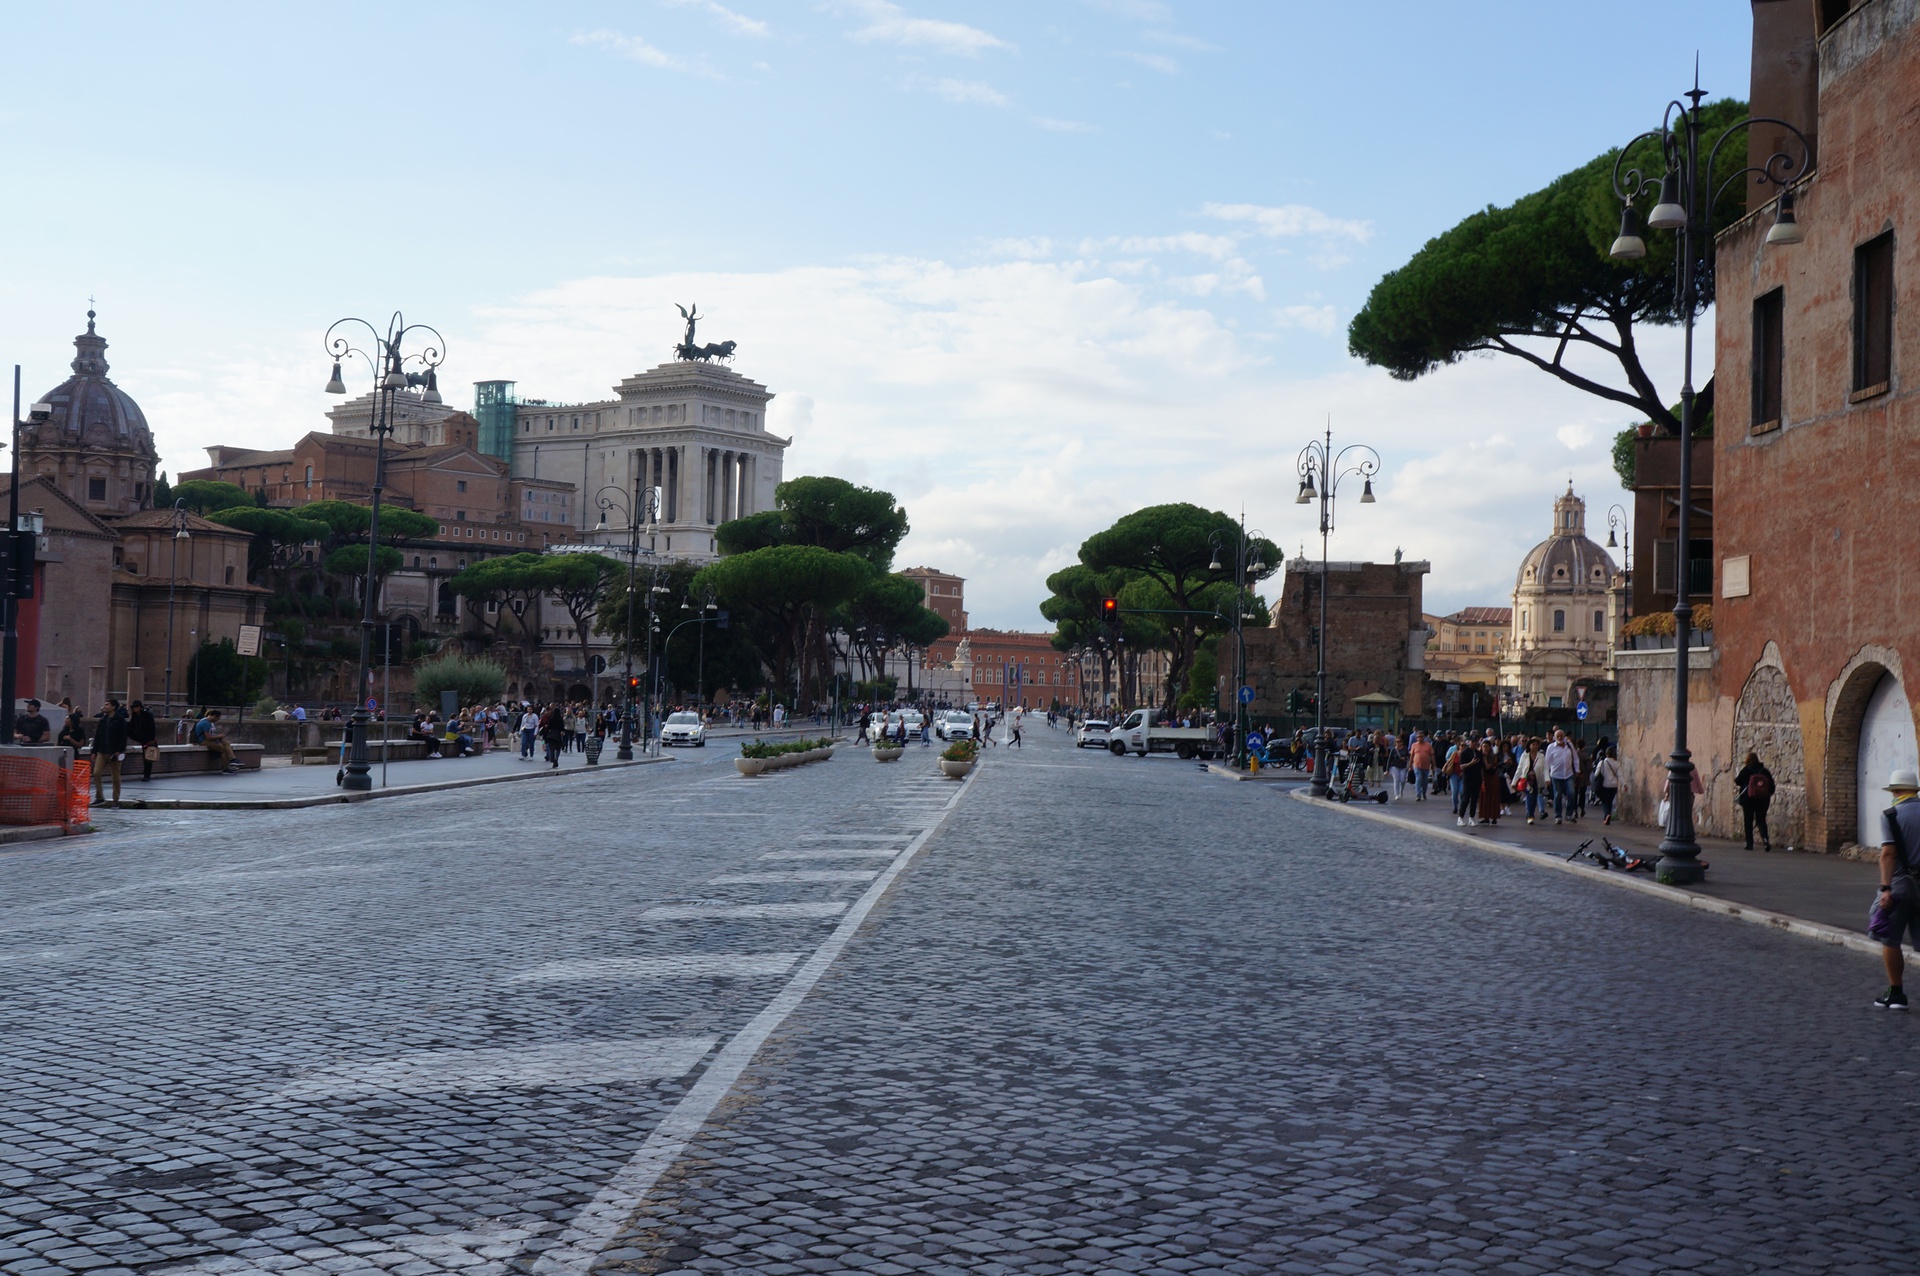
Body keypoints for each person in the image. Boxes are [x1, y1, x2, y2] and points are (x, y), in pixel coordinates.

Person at [1873, 768, 1920, 1010]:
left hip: (1900, 884)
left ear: (1895, 791)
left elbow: (1888, 854)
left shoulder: (1891, 815)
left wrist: (1885, 888)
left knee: (1891, 938)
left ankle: (1896, 992)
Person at [1733, 750, 1776, 851]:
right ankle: (1765, 840)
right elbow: (1772, 787)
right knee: (1761, 820)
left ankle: (1749, 844)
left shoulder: (1746, 770)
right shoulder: (1764, 771)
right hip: (1763, 800)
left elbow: (1737, 781)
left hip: (1748, 799)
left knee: (1748, 821)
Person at [91, 699, 129, 805]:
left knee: (116, 777)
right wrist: (94, 751)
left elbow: (123, 737)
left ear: (113, 707)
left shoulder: (120, 720)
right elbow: (97, 736)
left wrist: (119, 751)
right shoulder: (102, 720)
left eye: (107, 705)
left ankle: (115, 799)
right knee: (96, 773)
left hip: (114, 753)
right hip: (102, 751)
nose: (105, 706)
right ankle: (99, 797)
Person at [1544, 730, 1577, 825]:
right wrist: (1547, 777)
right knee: (1557, 795)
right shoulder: (1551, 747)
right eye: (1558, 736)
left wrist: (1577, 770)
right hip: (1556, 775)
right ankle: (1558, 816)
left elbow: (1575, 758)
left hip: (1568, 774)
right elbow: (1547, 763)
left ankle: (1569, 814)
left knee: (1571, 793)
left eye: (1561, 735)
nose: (1560, 737)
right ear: (1554, 737)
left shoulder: (1569, 746)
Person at [126, 700, 159, 781]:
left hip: (149, 740)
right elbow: (132, 729)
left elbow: (152, 728)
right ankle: (146, 775)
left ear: (140, 707)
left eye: (136, 707)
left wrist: (151, 739)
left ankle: (147, 775)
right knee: (146, 757)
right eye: (134, 707)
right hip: (142, 739)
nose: (135, 708)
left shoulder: (147, 715)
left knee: (148, 758)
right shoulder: (134, 717)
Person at [1591, 745, 1621, 825]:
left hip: (1605, 785)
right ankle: (1607, 815)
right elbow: (1620, 775)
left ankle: (1607, 815)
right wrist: (1624, 784)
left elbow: (1596, 774)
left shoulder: (1602, 762)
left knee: (1604, 801)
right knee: (1610, 801)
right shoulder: (1617, 763)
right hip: (1614, 785)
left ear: (1606, 753)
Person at [1408, 731, 1434, 802]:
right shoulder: (1414, 745)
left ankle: (1424, 793)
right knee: (1418, 778)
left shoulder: (1428, 745)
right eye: (1418, 737)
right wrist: (1410, 765)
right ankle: (1418, 795)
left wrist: (1434, 765)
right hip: (1417, 765)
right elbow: (1412, 756)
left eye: (1421, 736)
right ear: (1416, 738)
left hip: (1426, 766)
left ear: (1424, 737)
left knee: (1425, 781)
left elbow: (1432, 755)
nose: (1420, 738)